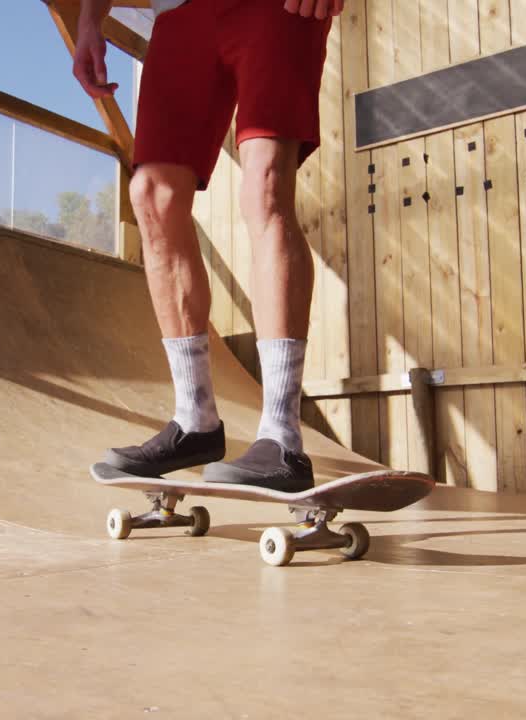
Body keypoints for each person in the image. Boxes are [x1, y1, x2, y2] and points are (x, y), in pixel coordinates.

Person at [72, 0, 343, 492]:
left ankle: (281, 438)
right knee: (152, 195)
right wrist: (90, 19)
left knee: (264, 183)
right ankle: (195, 420)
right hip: (180, 13)